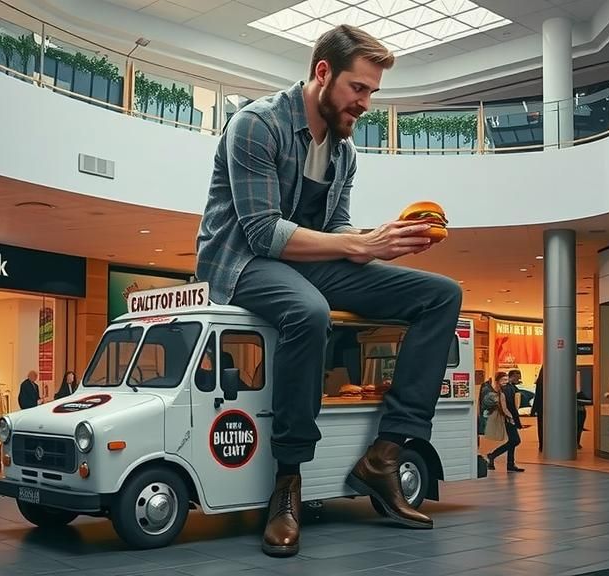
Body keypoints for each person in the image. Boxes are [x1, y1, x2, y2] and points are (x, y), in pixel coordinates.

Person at [194, 24, 462, 558]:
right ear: (323, 73)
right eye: (358, 89)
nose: (364, 103)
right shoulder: (256, 125)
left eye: (371, 93)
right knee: (309, 312)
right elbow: (263, 233)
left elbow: (336, 225)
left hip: (308, 262)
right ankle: (287, 484)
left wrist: (375, 240)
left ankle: (383, 458)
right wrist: (359, 247)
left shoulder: (344, 150)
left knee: (442, 295)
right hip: (240, 260)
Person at [486, 371, 524, 472]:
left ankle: (510, 463)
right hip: (508, 418)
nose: (505, 381)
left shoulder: (509, 388)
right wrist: (511, 417)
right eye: (503, 380)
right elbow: (504, 408)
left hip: (510, 417)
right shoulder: (502, 392)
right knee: (515, 440)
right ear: (498, 381)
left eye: (506, 379)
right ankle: (493, 455)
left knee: (512, 441)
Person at [530, 370, 543, 452]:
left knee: (541, 426)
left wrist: (534, 409)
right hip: (546, 407)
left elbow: (537, 395)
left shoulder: (540, 381)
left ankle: (542, 444)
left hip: (541, 407)